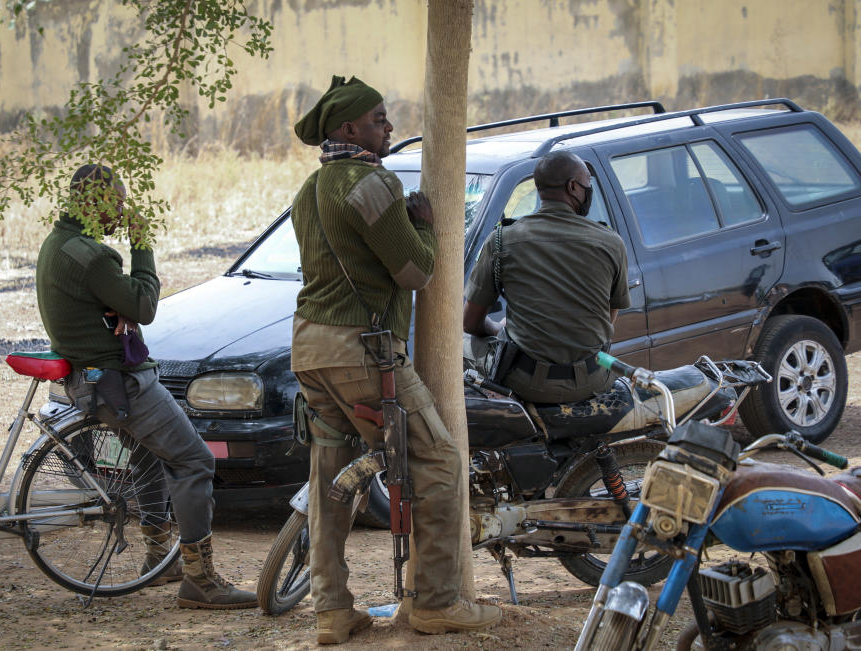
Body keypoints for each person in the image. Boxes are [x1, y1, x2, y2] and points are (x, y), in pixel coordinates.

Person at [290, 76, 502, 644]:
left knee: (330, 477)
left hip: (308, 348)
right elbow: (418, 272)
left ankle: (332, 610)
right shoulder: (373, 183)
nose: (387, 126)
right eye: (378, 118)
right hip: (361, 350)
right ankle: (434, 602)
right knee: (440, 461)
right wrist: (425, 227)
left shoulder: (309, 190)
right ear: (347, 129)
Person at [35, 164, 257, 610]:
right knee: (195, 461)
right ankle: (201, 580)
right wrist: (141, 243)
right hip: (122, 386)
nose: (122, 209)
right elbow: (146, 304)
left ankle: (161, 556)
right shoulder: (95, 257)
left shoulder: (58, 246)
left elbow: (115, 304)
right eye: (116, 201)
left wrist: (119, 306)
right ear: (94, 203)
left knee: (149, 461)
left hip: (89, 383)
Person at [462, 151, 630, 404]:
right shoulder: (611, 242)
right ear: (573, 187)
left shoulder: (502, 240)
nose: (588, 190)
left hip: (527, 382)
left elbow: (470, 323)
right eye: (588, 184)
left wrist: (499, 328)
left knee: (459, 343)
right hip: (593, 380)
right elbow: (607, 322)